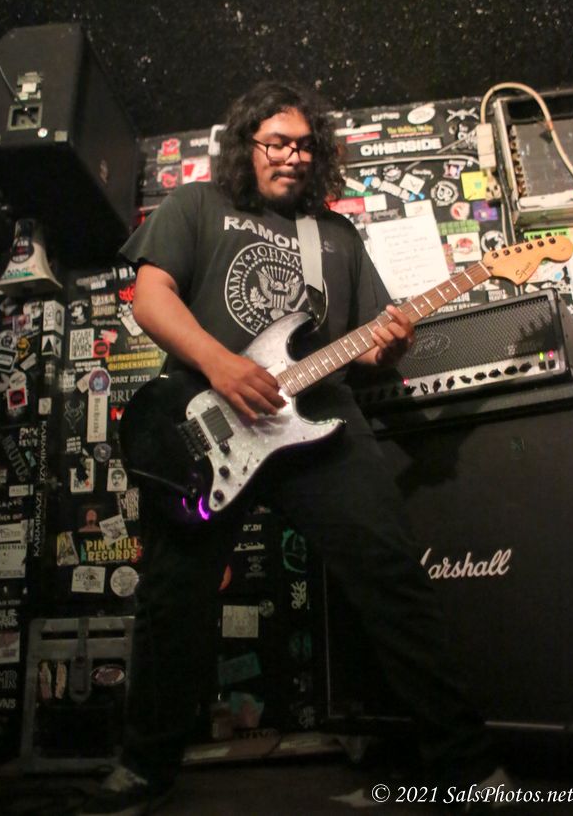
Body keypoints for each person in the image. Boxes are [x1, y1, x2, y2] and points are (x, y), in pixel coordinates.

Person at [81, 81, 507, 815]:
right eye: (276, 141)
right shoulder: (198, 206)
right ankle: (144, 769)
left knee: (392, 577)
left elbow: (368, 346)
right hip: (207, 425)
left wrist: (391, 343)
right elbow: (151, 299)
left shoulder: (335, 235)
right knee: (172, 600)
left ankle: (464, 765)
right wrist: (222, 366)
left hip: (319, 423)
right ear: (248, 145)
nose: (292, 155)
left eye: (306, 145)